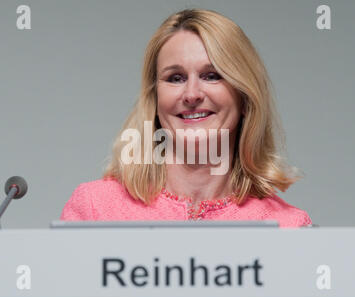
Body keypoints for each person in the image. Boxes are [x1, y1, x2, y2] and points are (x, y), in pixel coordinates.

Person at [61, 8, 312, 227]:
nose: (191, 94)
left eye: (212, 75)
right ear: (155, 99)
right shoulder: (95, 210)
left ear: (245, 97)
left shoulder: (287, 228)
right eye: (175, 78)